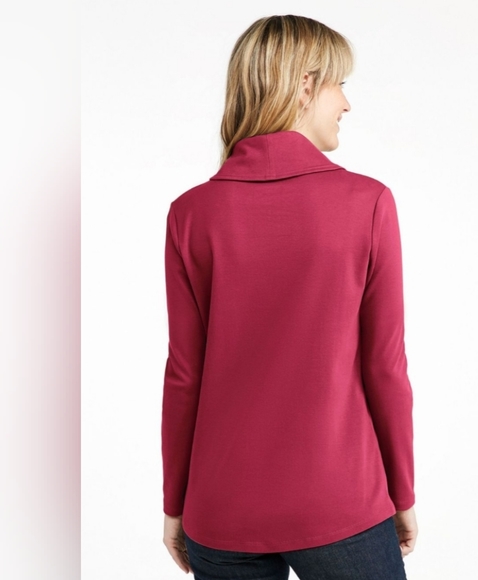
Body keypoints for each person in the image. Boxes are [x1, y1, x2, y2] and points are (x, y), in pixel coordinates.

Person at [161, 14, 418, 579]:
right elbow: (385, 366)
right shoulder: (367, 204)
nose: (346, 103)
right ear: (305, 85)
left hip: (219, 508)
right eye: (339, 84)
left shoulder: (190, 214)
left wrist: (176, 502)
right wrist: (402, 492)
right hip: (340, 504)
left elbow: (184, 373)